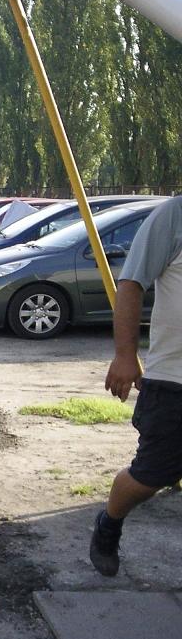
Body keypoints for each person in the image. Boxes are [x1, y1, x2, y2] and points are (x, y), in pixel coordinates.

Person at [93, 195, 182, 576]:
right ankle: (109, 522)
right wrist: (125, 355)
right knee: (149, 477)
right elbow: (131, 284)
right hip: (174, 378)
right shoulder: (174, 216)